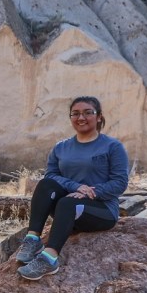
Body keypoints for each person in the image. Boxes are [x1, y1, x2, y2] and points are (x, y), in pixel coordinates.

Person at [16, 96, 129, 281]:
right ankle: (33, 239)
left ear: (99, 117)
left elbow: (120, 182)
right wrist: (77, 187)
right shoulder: (61, 147)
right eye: (75, 113)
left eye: (87, 113)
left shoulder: (112, 147)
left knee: (69, 203)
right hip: (66, 210)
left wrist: (93, 192)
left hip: (101, 211)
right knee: (46, 185)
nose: (81, 117)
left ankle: (50, 258)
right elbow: (51, 176)